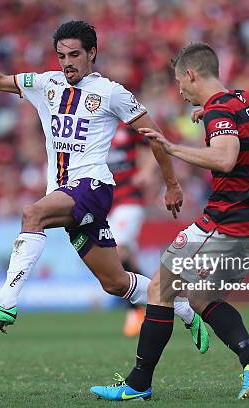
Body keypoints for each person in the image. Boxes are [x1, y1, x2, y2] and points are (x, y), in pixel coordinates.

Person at [0, 16, 208, 352]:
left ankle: (5, 301)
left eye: (75, 55)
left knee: (32, 214)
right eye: (62, 56)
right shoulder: (45, 84)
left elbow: (154, 136)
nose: (67, 63)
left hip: (92, 186)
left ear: (92, 53)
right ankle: (182, 306)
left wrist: (172, 184)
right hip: (67, 194)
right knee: (115, 282)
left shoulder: (111, 93)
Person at [90, 42, 249, 401]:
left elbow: (225, 160)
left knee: (159, 289)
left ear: (192, 75)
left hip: (224, 221)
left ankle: (138, 383)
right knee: (199, 296)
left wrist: (174, 147)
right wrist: (212, 117)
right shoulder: (244, 101)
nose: (180, 90)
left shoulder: (220, 111)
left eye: (180, 82)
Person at [107, 124, 153, 336]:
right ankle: (159, 300)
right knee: (127, 261)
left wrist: (146, 171)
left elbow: (153, 145)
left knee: (118, 252)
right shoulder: (92, 123)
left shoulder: (128, 124)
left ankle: (136, 310)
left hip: (129, 198)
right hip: (105, 202)